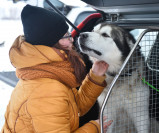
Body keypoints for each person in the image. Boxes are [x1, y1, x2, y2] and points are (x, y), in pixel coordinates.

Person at [1, 5, 112, 133]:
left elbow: (75, 107)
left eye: (69, 33)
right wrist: (94, 127)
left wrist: (95, 77)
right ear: (50, 43)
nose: (71, 39)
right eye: (66, 36)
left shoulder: (51, 71)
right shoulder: (47, 90)